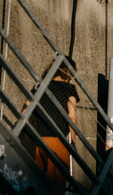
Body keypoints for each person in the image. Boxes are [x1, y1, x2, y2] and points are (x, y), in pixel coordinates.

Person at [29, 60, 79, 192]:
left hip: (38, 141)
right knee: (56, 186)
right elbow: (72, 115)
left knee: (39, 185)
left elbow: (26, 109)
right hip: (58, 142)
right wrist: (73, 141)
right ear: (69, 72)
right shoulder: (69, 89)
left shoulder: (40, 86)